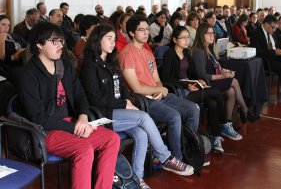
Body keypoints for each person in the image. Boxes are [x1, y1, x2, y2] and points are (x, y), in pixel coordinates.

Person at [80, 25, 194, 186]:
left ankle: (137, 179)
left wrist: (129, 101)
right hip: (102, 116)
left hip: (118, 112)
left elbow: (123, 89)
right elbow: (95, 99)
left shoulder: (111, 62)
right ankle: (166, 157)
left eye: (114, 39)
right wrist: (124, 104)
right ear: (97, 41)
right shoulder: (89, 66)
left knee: (141, 134)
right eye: (109, 39)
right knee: (144, 117)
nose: (113, 43)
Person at [15, 21, 120, 189]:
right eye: (53, 41)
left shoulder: (64, 67)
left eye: (61, 41)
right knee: (84, 149)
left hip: (71, 122)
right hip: (45, 131)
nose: (60, 46)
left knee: (112, 139)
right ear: (39, 45)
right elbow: (38, 117)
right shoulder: (28, 75)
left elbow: (80, 95)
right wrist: (74, 127)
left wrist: (83, 117)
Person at [119, 15, 200, 161]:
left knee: (193, 108)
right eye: (141, 30)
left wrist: (160, 89)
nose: (146, 33)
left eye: (147, 29)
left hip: (157, 95)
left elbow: (156, 79)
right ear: (131, 33)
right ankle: (177, 158)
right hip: (141, 100)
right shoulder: (126, 54)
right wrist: (158, 90)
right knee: (174, 116)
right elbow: (136, 88)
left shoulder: (148, 52)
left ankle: (188, 148)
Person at [160, 26, 231, 152]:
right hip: (179, 91)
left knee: (213, 103)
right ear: (175, 40)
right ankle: (224, 123)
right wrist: (185, 85)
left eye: (188, 37)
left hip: (191, 87)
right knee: (216, 93)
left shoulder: (186, 53)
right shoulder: (169, 54)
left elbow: (193, 73)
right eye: (183, 38)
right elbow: (166, 78)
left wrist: (199, 80)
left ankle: (216, 137)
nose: (187, 40)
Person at [190, 22, 252, 136]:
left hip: (214, 80)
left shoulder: (209, 48)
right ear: (201, 35)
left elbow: (215, 66)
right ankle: (244, 109)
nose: (211, 36)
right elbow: (202, 75)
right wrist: (222, 76)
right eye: (208, 33)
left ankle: (227, 122)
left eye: (212, 33)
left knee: (232, 91)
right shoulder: (199, 51)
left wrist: (224, 70)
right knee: (234, 81)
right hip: (206, 83)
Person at [250, 15, 281, 105]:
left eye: (275, 27)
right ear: (266, 24)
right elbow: (257, 51)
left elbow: (277, 43)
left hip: (274, 55)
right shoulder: (256, 33)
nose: (274, 30)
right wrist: (274, 53)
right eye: (273, 27)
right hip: (265, 60)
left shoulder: (272, 32)